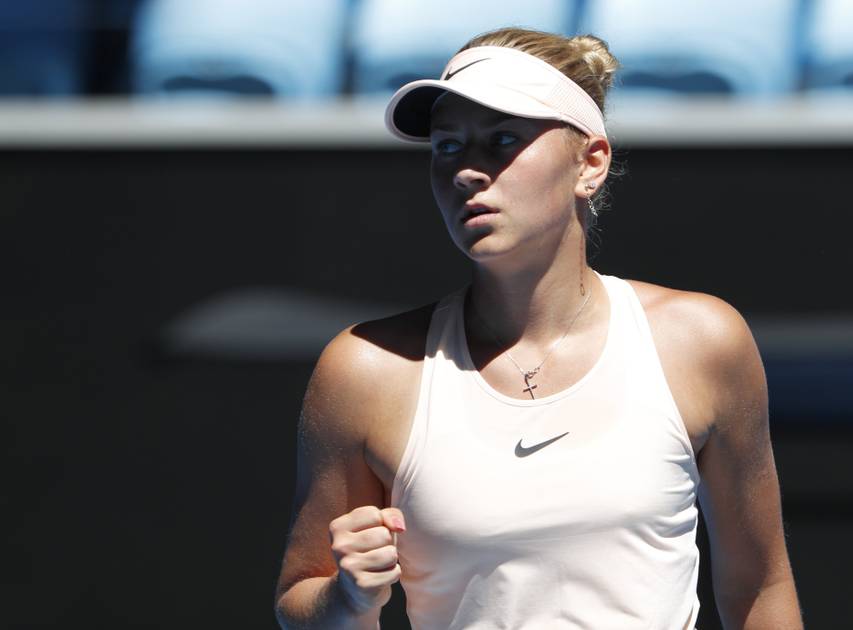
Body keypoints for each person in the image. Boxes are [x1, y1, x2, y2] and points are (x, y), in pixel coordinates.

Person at [274, 27, 803, 630]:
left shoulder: (703, 341)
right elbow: (301, 599)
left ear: (591, 163)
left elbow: (761, 586)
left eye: (502, 140)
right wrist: (347, 599)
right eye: (447, 147)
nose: (467, 172)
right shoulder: (365, 369)